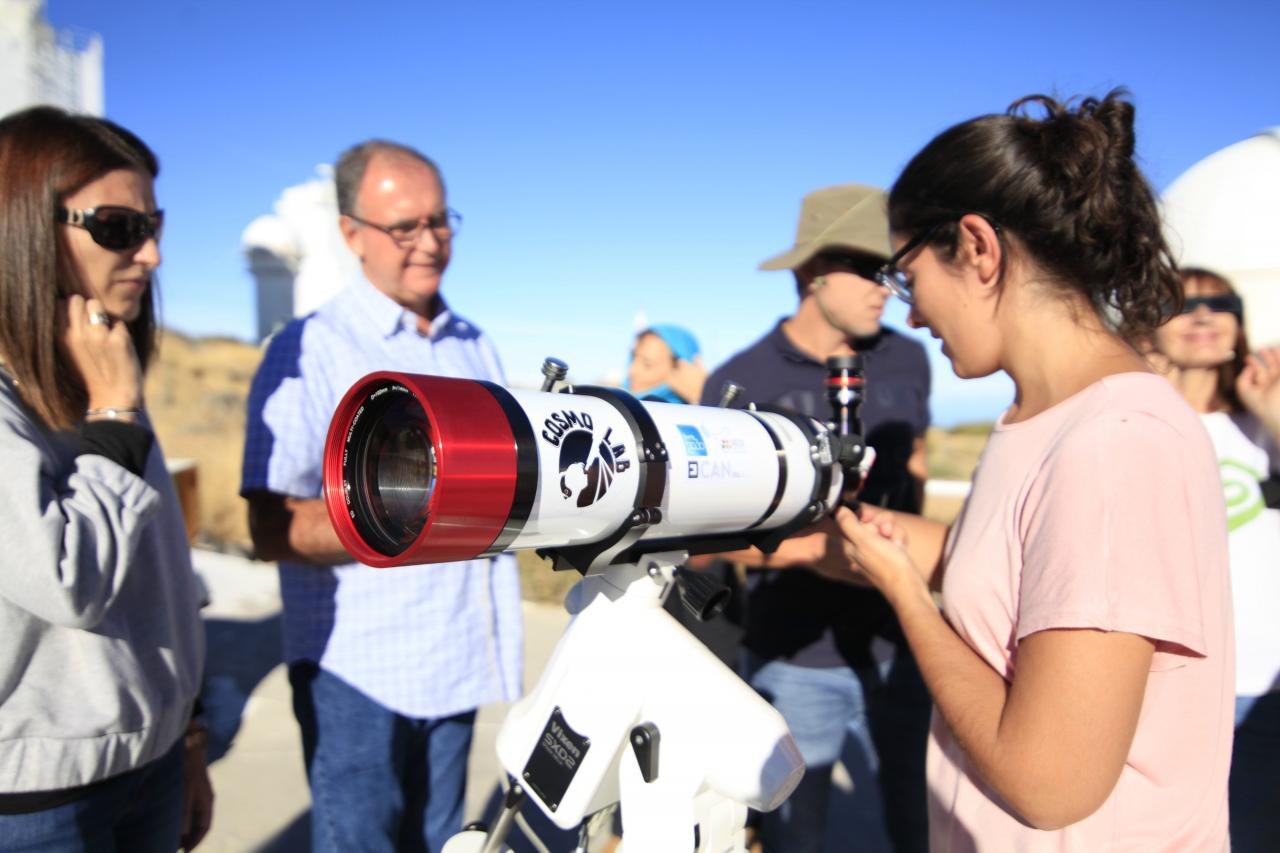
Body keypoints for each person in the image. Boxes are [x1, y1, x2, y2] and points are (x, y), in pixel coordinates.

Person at [828, 91, 1233, 849]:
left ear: (978, 247)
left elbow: (1049, 783)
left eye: (907, 273)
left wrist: (907, 596)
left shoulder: (1115, 443)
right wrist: (887, 541)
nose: (911, 313)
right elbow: (1031, 578)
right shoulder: (1040, 415)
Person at [241, 139, 522, 853]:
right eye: (404, 227)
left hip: (459, 661)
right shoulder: (308, 348)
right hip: (358, 673)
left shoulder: (476, 347)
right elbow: (270, 527)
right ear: (350, 234)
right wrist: (402, 515)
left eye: (440, 221)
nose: (428, 243)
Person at [0, 107, 212, 851]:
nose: (151, 254)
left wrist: (187, 736)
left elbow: (160, 572)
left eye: (155, 225)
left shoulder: (102, 367)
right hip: (37, 804)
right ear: (28, 226)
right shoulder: (99, 391)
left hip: (147, 760)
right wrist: (114, 414)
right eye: (120, 227)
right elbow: (71, 580)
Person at [701, 183, 932, 853]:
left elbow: (912, 466)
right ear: (810, 272)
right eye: (867, 267)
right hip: (796, 654)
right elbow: (709, 535)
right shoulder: (742, 380)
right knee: (800, 835)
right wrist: (817, 550)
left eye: (891, 268)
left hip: (906, 639)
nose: (885, 287)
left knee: (925, 825)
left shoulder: (912, 357)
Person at [1149, 268, 1280, 852]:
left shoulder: (1262, 426)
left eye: (1219, 304)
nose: (1202, 316)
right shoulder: (1133, 420)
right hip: (1159, 684)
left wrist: (1269, 410)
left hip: (1260, 681)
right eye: (1183, 304)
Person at [625, 323, 706, 404]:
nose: (632, 370)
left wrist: (703, 398)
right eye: (633, 358)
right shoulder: (618, 407)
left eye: (647, 364)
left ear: (681, 369)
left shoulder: (697, 415)